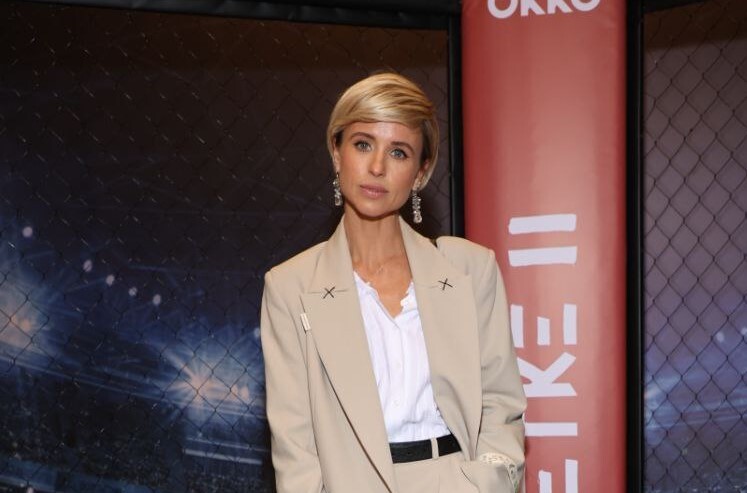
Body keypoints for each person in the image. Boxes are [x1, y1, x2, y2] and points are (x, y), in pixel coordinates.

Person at [261, 73, 525, 493]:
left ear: (420, 173)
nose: (377, 167)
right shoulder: (290, 287)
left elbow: (500, 404)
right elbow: (295, 445)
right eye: (363, 144)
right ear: (336, 152)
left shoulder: (470, 269)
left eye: (398, 152)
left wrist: (486, 483)